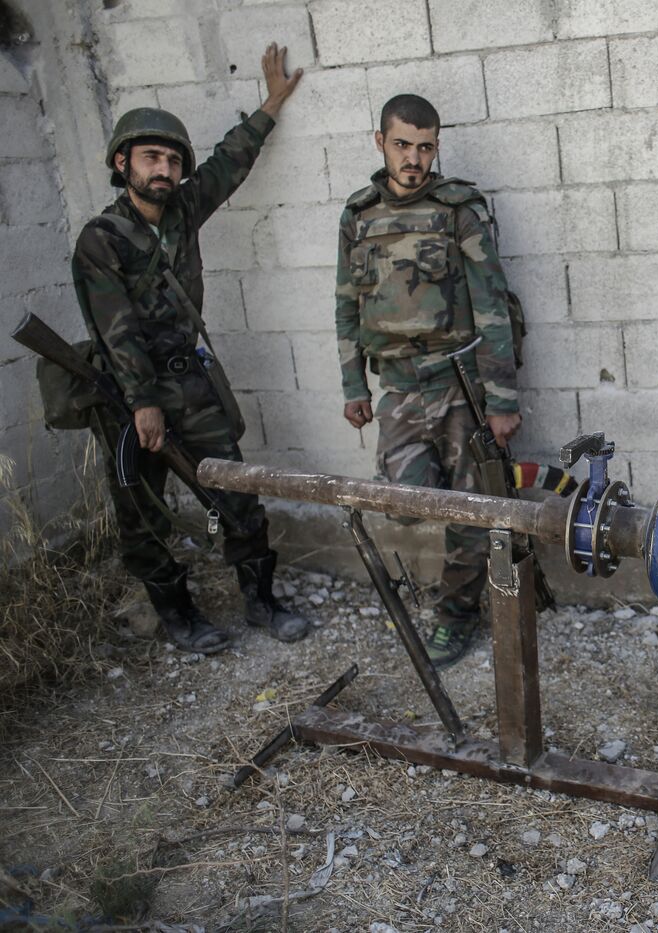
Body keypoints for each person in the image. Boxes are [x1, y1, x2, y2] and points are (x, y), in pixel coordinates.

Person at [72, 44, 309, 654]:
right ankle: (178, 617)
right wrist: (143, 404)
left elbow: (231, 161)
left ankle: (261, 600)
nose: (166, 169)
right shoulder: (100, 240)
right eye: (152, 156)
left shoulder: (180, 213)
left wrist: (272, 103)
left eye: (174, 160)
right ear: (122, 162)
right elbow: (115, 327)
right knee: (143, 508)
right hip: (132, 395)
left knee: (234, 487)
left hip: (190, 383)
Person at [334, 94, 520, 670]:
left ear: (436, 146)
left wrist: (502, 398)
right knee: (406, 503)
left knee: (470, 507)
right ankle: (463, 592)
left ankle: (457, 613)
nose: (414, 158)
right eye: (402, 145)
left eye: (425, 146)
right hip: (397, 386)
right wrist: (353, 386)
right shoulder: (358, 214)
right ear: (380, 142)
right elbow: (345, 303)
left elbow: (492, 303)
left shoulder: (459, 208)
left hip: (459, 383)